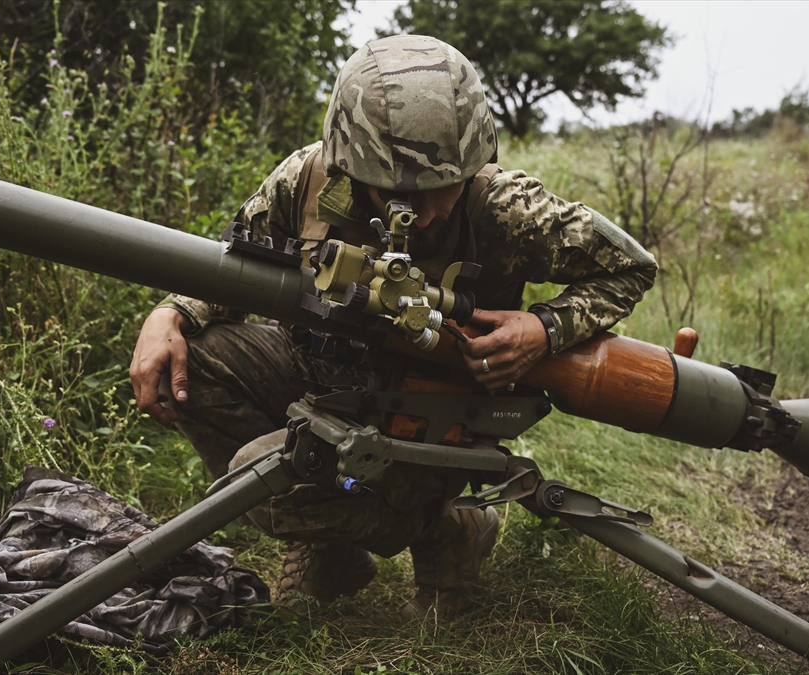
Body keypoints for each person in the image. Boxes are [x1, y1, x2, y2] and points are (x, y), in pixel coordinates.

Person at [129, 35, 656, 619]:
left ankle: (446, 526)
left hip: (428, 415)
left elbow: (629, 266)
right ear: (351, 162)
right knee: (194, 360)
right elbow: (237, 265)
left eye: (439, 189)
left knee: (258, 480)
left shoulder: (506, 209)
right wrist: (169, 313)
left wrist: (543, 328)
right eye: (396, 192)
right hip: (318, 380)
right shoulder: (310, 182)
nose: (421, 213)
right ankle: (331, 539)